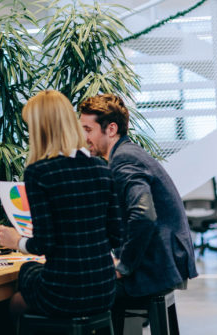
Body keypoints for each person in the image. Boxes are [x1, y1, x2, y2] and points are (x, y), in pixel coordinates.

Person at [0, 90, 122, 323]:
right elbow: (116, 236)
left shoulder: (40, 173)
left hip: (64, 291)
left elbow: (45, 243)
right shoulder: (102, 168)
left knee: (18, 291)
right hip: (104, 289)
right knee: (32, 275)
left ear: (39, 130)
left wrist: (17, 241)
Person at [78, 94, 198, 334]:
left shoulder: (124, 159)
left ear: (111, 129)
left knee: (83, 291)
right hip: (165, 260)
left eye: (88, 129)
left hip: (157, 264)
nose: (84, 137)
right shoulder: (128, 153)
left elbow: (143, 214)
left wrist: (124, 266)